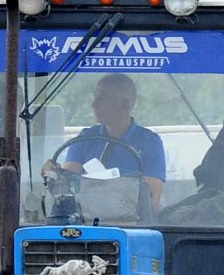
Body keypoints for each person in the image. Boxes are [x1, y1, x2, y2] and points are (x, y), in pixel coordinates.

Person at [49, 73, 167, 212]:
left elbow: (151, 201)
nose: (93, 105)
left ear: (124, 105)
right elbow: (67, 182)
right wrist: (55, 173)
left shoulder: (149, 142)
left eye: (102, 98)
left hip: (130, 225)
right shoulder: (85, 138)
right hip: (85, 223)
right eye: (95, 97)